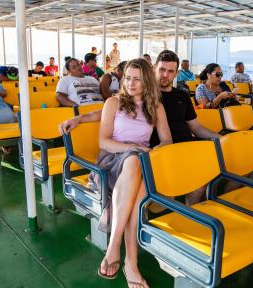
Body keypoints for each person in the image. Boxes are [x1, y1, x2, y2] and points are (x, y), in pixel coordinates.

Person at [60, 50, 220, 204]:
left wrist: (218, 138)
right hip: (154, 153)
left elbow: (196, 126)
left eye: (170, 71)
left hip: (181, 148)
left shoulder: (182, 95)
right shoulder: (143, 93)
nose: (165, 74)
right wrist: (80, 118)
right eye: (162, 69)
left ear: (176, 73)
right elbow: (111, 110)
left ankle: (187, 217)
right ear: (153, 69)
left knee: (202, 179)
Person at [92, 58, 171, 288]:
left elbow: (167, 140)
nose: (131, 83)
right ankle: (126, 258)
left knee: (137, 186)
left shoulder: (155, 106)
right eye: (127, 78)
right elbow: (103, 142)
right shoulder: (113, 103)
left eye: (137, 79)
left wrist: (156, 150)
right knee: (136, 162)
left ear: (147, 81)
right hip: (112, 160)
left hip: (140, 162)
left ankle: (121, 253)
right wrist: (132, 148)